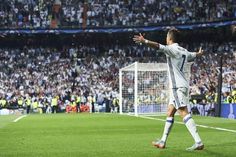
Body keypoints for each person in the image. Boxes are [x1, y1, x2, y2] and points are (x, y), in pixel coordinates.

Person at [133, 28, 204, 151]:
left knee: (183, 112)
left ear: (170, 38)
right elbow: (194, 55)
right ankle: (162, 141)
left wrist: (144, 41)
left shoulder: (172, 49)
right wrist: (199, 53)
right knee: (170, 112)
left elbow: (158, 46)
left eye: (166, 36)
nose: (166, 39)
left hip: (177, 86)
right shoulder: (184, 51)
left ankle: (198, 141)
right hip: (182, 85)